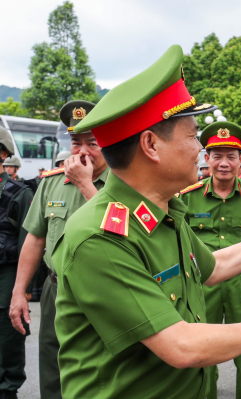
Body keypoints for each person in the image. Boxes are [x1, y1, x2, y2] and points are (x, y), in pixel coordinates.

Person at [49, 44, 241, 399]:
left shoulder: (163, 212)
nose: (200, 148)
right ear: (151, 145)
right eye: (192, 135)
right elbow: (181, 345)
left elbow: (214, 267)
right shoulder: (101, 236)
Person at [9, 100, 108, 399]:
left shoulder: (124, 182)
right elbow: (35, 238)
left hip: (105, 289)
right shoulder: (51, 183)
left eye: (92, 143)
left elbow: (120, 232)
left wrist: (86, 185)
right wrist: (19, 291)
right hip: (56, 287)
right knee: (52, 367)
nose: (82, 151)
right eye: (76, 142)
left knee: (102, 369)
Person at [179, 121, 241, 399]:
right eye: (217, 156)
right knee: (202, 348)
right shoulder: (188, 197)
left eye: (231, 156)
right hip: (200, 283)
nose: (224, 163)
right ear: (206, 159)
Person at [0, 126, 34, 399]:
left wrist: (22, 290)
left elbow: (29, 245)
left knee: (8, 345)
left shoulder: (19, 194)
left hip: (7, 278)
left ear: (3, 154)